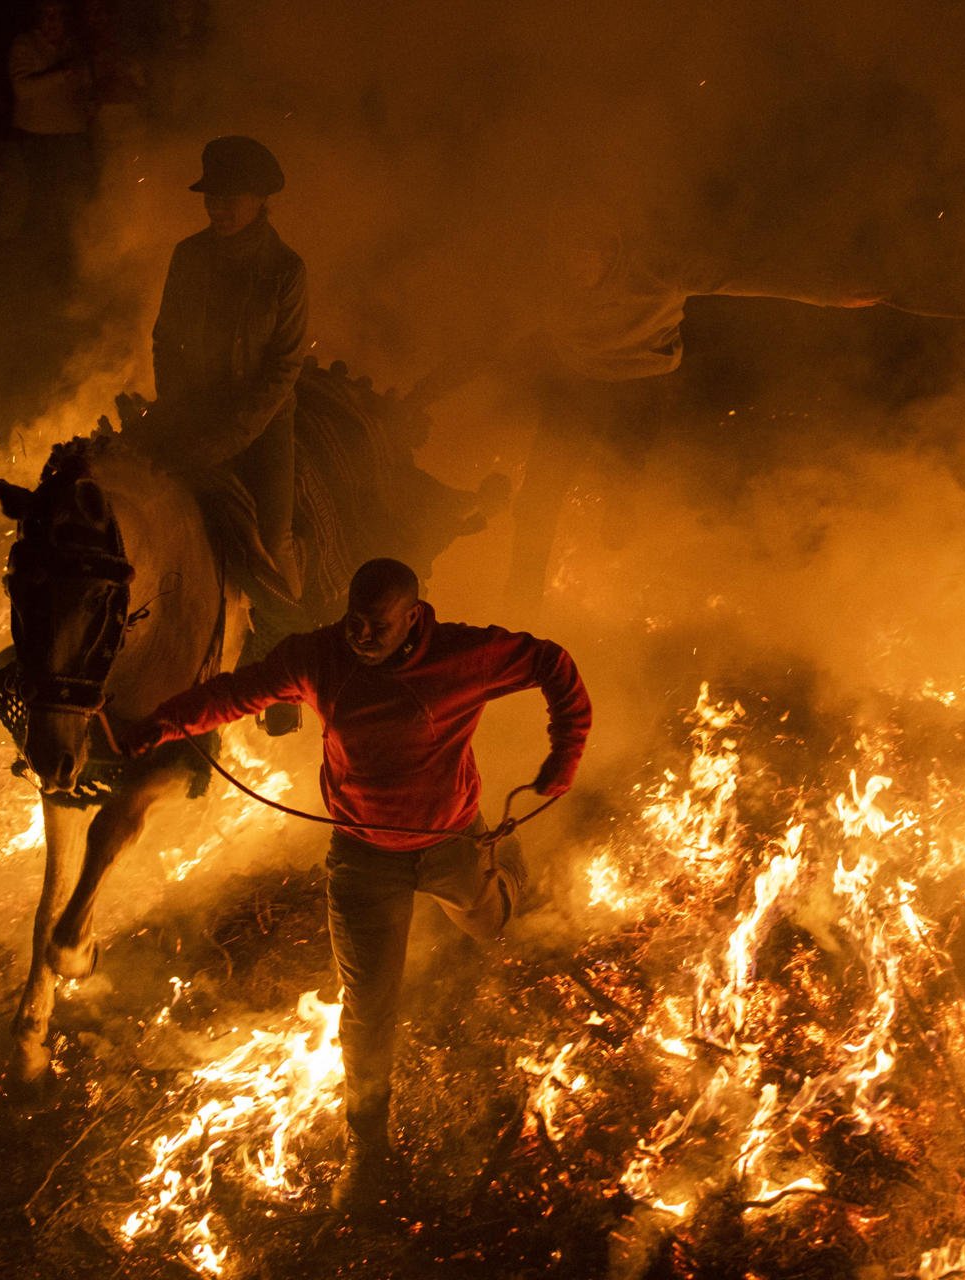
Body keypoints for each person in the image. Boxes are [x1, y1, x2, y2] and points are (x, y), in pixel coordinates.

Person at [117, 558, 591, 1212]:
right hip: (365, 861)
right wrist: (160, 725)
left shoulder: (465, 653)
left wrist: (562, 762)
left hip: (452, 842)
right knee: (368, 1010)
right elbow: (238, 691)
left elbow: (554, 666)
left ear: (413, 617)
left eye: (377, 624)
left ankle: (506, 867)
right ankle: (366, 1151)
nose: (361, 634)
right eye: (354, 619)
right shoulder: (320, 658)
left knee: (491, 924)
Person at [503, 223, 884, 612]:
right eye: (566, 261)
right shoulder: (547, 286)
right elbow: (500, 328)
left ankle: (621, 503)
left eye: (583, 261)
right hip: (577, 384)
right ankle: (521, 600)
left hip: (641, 380)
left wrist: (825, 291)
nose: (575, 273)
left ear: (608, 255)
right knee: (538, 495)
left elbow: (743, 274)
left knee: (626, 462)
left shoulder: (656, 269)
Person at [141, 136, 306, 622]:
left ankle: (290, 645)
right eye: (211, 198)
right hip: (192, 410)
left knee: (273, 542)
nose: (216, 208)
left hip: (263, 425)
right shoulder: (188, 256)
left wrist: (229, 438)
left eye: (228, 198)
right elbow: (166, 340)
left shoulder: (286, 271)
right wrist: (175, 410)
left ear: (259, 201)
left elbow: (284, 367)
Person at [9, 1, 92, 248]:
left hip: (72, 134)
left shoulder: (72, 45)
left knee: (73, 196)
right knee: (43, 198)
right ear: (38, 18)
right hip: (38, 137)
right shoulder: (25, 46)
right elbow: (22, 89)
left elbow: (84, 80)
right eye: (47, 15)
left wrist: (88, 99)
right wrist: (61, 74)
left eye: (57, 16)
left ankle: (76, 250)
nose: (52, 21)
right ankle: (42, 253)